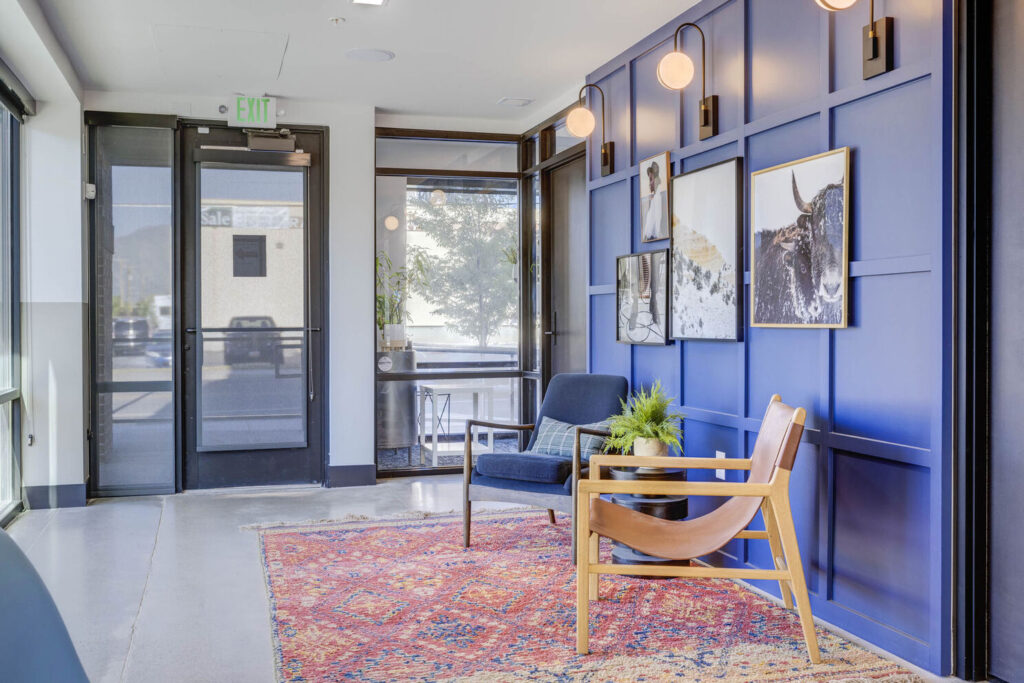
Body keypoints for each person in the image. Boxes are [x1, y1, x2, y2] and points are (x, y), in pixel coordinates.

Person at [643, 161, 666, 241]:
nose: (650, 175)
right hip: (654, 199)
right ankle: (651, 233)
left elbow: (655, 191)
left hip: (656, 198)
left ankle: (655, 232)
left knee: (656, 214)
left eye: (650, 173)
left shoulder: (656, 179)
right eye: (649, 173)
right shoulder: (652, 180)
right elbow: (652, 191)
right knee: (651, 214)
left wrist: (653, 194)